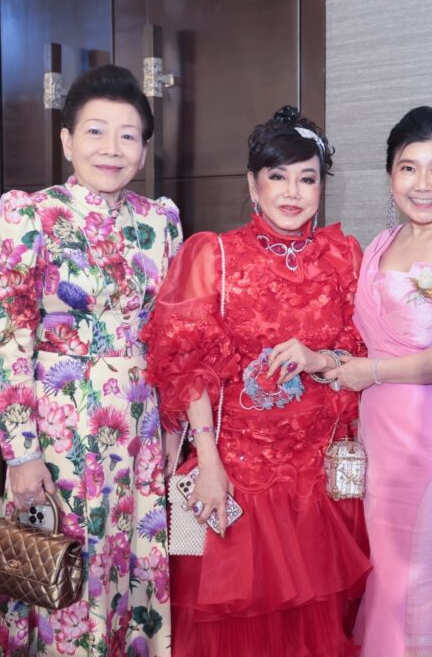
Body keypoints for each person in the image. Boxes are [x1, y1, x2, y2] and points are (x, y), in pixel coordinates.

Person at [140, 107, 370, 656]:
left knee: (311, 622)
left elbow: (362, 356)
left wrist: (319, 358)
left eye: (307, 178)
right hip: (234, 474)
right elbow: (188, 367)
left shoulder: (344, 257)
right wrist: (208, 461)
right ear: (252, 184)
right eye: (277, 176)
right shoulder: (213, 254)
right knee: (233, 626)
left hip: (316, 478)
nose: (292, 192)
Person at [0, 64, 180, 656]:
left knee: (129, 563)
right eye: (95, 131)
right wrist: (21, 454)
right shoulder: (29, 215)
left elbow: (171, 334)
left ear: (143, 149)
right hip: (60, 429)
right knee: (63, 570)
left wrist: (173, 425)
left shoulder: (160, 222)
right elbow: (9, 340)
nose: (111, 148)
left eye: (128, 135)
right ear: (67, 140)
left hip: (139, 428)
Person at [327, 106, 432, 657]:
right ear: (390, 177)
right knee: (388, 570)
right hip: (380, 429)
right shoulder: (383, 243)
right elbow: (364, 339)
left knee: (420, 574)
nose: (423, 184)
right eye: (408, 168)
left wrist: (371, 372)